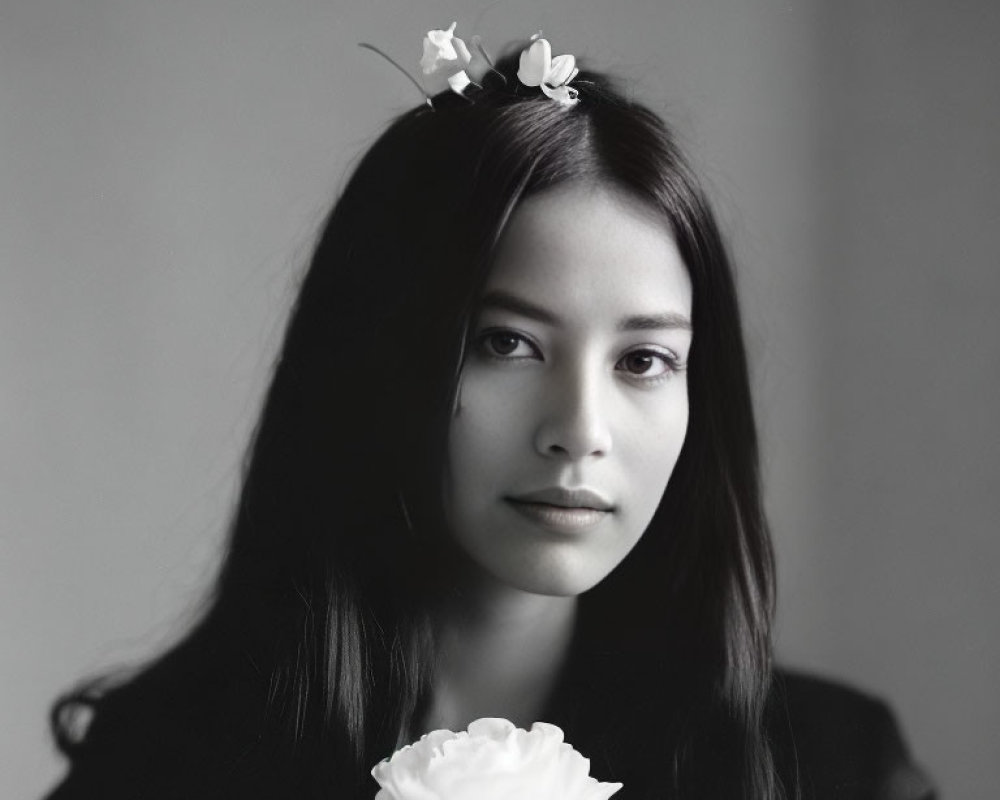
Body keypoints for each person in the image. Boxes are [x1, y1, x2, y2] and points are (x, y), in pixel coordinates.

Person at [43, 29, 934, 800]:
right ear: (380, 352)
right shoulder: (164, 763)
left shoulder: (832, 769)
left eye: (643, 361)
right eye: (507, 344)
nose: (580, 429)